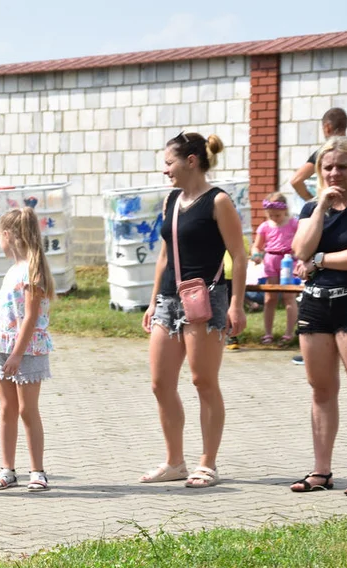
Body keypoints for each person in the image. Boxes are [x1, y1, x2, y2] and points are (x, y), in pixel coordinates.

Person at [139, 132, 247, 488]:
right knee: (160, 384)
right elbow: (165, 255)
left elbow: (239, 254)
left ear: (191, 161)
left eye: (169, 163)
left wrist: (236, 304)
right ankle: (174, 462)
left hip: (207, 299)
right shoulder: (171, 201)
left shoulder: (218, 201)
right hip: (169, 301)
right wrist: (154, 300)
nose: (165, 170)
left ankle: (207, 463)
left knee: (203, 381)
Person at [287, 137, 347, 496]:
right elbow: (299, 249)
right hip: (316, 305)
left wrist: (319, 260)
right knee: (321, 390)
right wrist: (320, 205)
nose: (334, 173)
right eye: (327, 167)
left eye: (342, 167)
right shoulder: (311, 208)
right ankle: (321, 471)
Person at [0, 208, 54, 491]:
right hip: (5, 347)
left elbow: (29, 316)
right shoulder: (13, 270)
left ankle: (37, 470)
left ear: (8, 235)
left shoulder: (31, 270)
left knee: (28, 410)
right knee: (7, 410)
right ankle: (7, 469)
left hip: (27, 350)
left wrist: (16, 354)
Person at [250, 192, 298, 344]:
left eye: (277, 215)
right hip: (271, 261)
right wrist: (256, 255)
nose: (275, 218)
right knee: (270, 297)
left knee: (288, 296)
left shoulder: (293, 224)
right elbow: (257, 246)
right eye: (271, 215)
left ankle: (290, 333)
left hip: (288, 261)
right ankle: (268, 333)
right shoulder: (264, 226)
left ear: (285, 210)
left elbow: (302, 241)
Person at [290, 108, 347, 201]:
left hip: (332, 206)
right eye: (328, 168)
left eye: (343, 167)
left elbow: (296, 180)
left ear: (327, 127)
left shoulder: (327, 152)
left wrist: (313, 201)